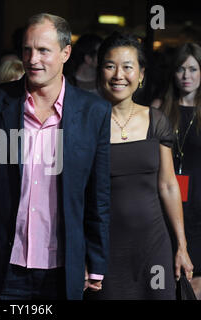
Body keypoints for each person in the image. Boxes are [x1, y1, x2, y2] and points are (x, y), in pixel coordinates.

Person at [0, 13, 112, 300]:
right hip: (2, 266)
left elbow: (97, 196)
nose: (32, 59)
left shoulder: (95, 113)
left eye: (43, 50)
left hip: (64, 269)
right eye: (27, 49)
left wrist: (96, 260)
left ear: (66, 53)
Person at [86, 32, 193, 300]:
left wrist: (181, 245)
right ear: (100, 73)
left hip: (153, 246)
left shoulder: (156, 120)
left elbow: (168, 185)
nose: (118, 75)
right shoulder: (88, 123)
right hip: (106, 249)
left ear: (141, 74)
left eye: (127, 67)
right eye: (110, 66)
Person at [159, 43, 201, 299]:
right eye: (181, 69)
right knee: (169, 282)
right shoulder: (159, 109)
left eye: (193, 69)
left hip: (198, 207)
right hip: (166, 206)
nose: (187, 76)